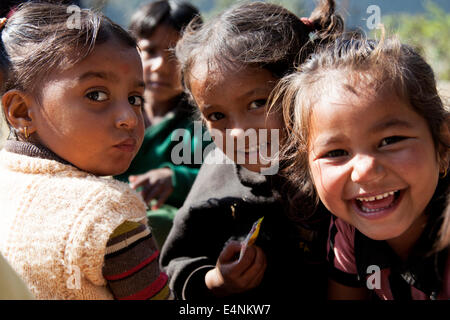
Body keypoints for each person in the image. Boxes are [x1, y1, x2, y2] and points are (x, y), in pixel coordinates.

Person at [160, 0, 343, 301]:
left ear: (303, 87)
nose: (238, 133)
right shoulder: (217, 177)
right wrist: (215, 281)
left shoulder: (338, 169)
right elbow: (175, 268)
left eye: (258, 103)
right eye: (217, 116)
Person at [0, 2, 171, 300]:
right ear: (22, 111)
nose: (129, 118)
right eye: (96, 95)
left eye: (134, 98)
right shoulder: (109, 216)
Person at [274, 36, 450, 299]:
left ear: (443, 145)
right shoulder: (348, 232)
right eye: (335, 153)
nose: (364, 171)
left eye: (390, 141)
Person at [115, 0, 206, 248]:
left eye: (175, 54)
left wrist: (174, 178)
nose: (160, 66)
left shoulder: (202, 123)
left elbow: (225, 175)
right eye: (150, 51)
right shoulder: (110, 115)